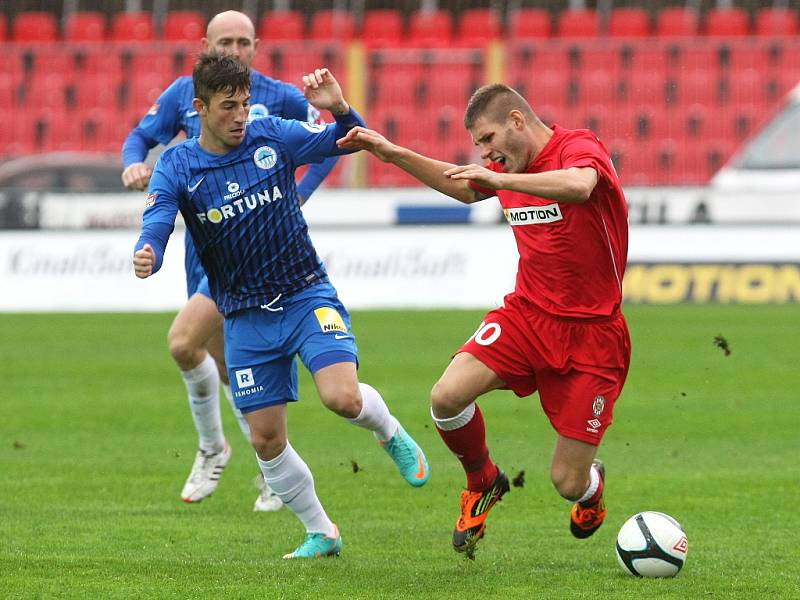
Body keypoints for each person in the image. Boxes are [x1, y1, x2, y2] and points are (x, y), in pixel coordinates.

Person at [132, 53, 430, 559]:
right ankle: (322, 531)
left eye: (245, 103)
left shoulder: (272, 136)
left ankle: (390, 431)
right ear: (200, 108)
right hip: (244, 315)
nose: (240, 115)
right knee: (266, 441)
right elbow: (159, 213)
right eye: (229, 107)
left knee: (341, 397)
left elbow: (345, 141)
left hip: (304, 294)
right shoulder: (179, 164)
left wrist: (340, 109)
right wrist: (150, 250)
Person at [337, 83, 630, 557]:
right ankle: (483, 480)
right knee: (446, 397)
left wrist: (500, 182)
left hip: (594, 335)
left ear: (517, 120)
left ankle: (591, 488)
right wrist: (391, 153)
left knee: (565, 481)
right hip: (528, 316)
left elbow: (579, 186)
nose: (486, 152)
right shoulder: (500, 169)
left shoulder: (577, 146)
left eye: (489, 138)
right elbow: (462, 186)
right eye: (480, 147)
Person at [121, 10, 339, 511]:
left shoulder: (278, 96)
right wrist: (134, 163)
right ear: (205, 46)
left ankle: (220, 450)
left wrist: (299, 193)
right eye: (225, 43)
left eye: (243, 42)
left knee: (182, 342)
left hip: (254, 256)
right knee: (223, 365)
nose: (234, 51)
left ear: (256, 46)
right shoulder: (184, 93)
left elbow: (326, 146)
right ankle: (262, 463)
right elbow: (140, 138)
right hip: (205, 251)